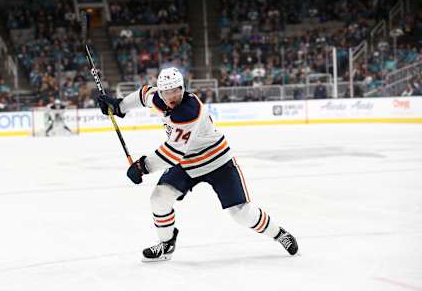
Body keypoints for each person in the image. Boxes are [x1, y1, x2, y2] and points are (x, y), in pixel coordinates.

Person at [96, 67, 298, 262]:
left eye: (176, 90)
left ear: (183, 89)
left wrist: (143, 166)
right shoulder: (158, 97)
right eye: (167, 92)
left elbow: (172, 152)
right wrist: (119, 106)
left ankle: (279, 234)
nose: (172, 96)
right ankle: (166, 244)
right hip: (186, 163)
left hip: (217, 161)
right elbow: (143, 94)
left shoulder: (189, 111)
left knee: (241, 213)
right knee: (159, 198)